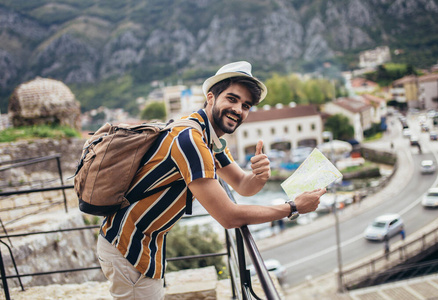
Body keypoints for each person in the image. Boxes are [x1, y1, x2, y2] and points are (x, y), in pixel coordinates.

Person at [96, 61, 326, 299]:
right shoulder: (192, 140)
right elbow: (229, 217)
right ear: (211, 97)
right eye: (232, 99)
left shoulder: (210, 138)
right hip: (128, 248)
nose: (238, 109)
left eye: (245, 105)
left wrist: (260, 175)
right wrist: (293, 207)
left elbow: (243, 186)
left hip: (142, 245)